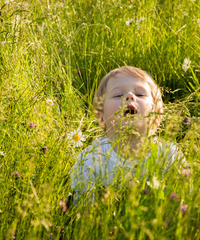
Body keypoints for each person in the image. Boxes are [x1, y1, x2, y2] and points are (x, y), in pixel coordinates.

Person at [70, 66, 185, 204]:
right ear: (101, 117)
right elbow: (83, 209)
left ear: (157, 117)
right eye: (118, 95)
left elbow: (185, 199)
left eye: (141, 94)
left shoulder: (169, 155)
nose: (129, 96)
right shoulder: (91, 160)